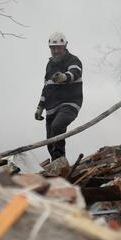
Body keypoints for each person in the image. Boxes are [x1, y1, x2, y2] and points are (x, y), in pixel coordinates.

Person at [35, 32, 83, 160]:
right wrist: (40, 107)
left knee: (57, 127)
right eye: (53, 48)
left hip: (70, 103)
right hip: (51, 108)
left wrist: (64, 77)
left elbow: (75, 72)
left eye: (59, 48)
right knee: (50, 142)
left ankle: (60, 159)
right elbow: (46, 87)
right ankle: (58, 166)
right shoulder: (49, 65)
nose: (56, 51)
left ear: (65, 46)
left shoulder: (73, 60)